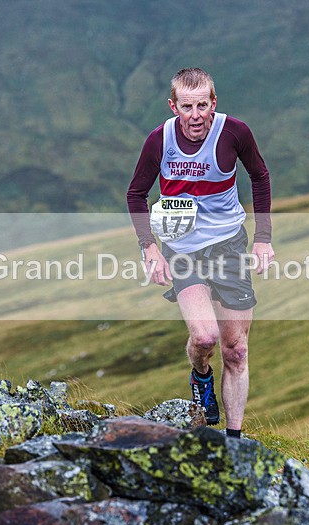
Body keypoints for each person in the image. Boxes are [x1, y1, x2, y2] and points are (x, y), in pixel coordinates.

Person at [127, 68, 274, 438]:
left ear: (214, 104)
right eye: (187, 107)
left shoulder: (235, 133)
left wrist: (263, 238)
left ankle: (234, 438)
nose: (196, 116)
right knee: (205, 338)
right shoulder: (159, 140)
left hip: (229, 245)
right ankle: (201, 374)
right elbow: (136, 194)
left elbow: (259, 175)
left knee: (236, 349)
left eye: (203, 106)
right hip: (182, 249)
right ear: (173, 106)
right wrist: (149, 249)